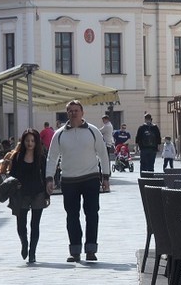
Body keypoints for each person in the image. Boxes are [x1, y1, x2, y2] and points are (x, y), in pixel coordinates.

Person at [45, 99, 111, 263]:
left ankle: (90, 249)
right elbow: (52, 158)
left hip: (90, 178)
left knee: (92, 214)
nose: (73, 113)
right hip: (69, 180)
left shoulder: (93, 131)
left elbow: (103, 154)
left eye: (76, 110)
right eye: (70, 110)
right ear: (67, 113)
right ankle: (75, 250)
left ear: (82, 113)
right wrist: (49, 178)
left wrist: (106, 177)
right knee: (72, 216)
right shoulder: (59, 134)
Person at [9, 128, 50, 263]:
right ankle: (24, 243)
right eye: (27, 140)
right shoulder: (17, 157)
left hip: (38, 193)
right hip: (21, 194)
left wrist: (47, 195)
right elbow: (12, 176)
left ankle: (32, 252)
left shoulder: (41, 157)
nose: (30, 143)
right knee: (21, 224)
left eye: (32, 140)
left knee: (35, 224)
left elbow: (45, 177)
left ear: (36, 142)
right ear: (23, 141)